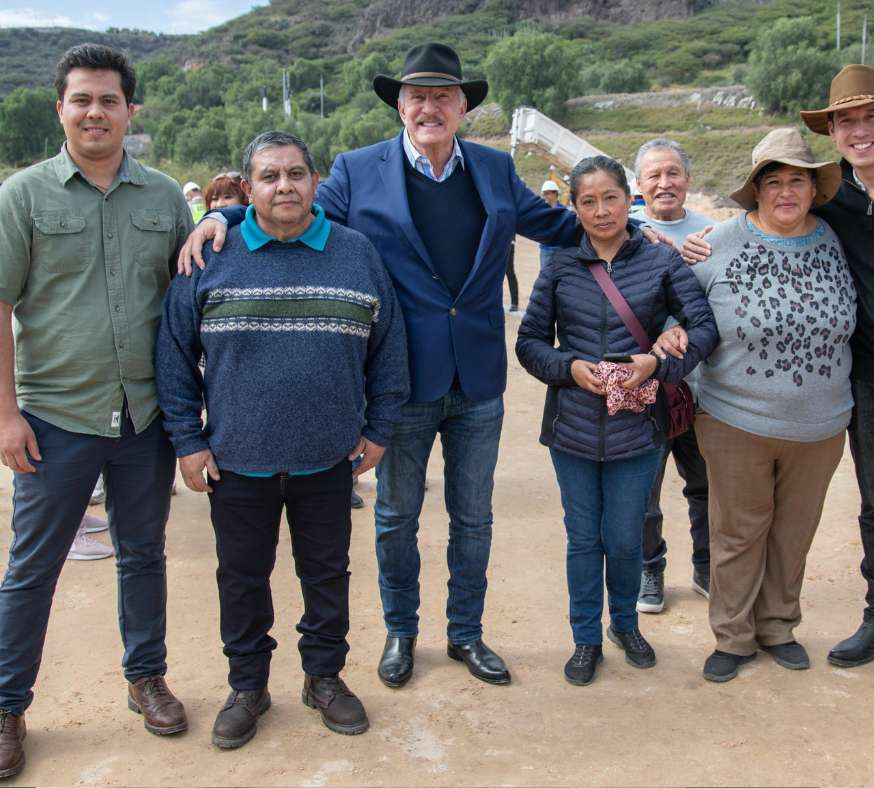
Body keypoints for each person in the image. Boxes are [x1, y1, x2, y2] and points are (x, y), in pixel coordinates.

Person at [178, 42, 588, 689]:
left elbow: (562, 227)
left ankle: (465, 633)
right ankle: (401, 632)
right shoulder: (355, 170)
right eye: (417, 97)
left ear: (462, 107)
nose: (430, 107)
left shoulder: (494, 168)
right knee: (396, 517)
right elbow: (290, 207)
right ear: (400, 107)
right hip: (400, 384)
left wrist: (638, 227)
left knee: (473, 518)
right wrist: (223, 215)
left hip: (478, 380)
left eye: (442, 97)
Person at [684, 66, 874, 699]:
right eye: (845, 121)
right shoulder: (754, 233)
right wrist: (680, 246)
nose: (786, 191)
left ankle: (799, 630)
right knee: (844, 516)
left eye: (869, 117)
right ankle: (841, 627)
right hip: (807, 402)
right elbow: (685, 300)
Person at [157, 130, 408, 749]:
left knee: (326, 575)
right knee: (242, 578)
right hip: (237, 460)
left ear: (315, 182)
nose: (285, 186)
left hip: (329, 459)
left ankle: (323, 678)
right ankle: (248, 686)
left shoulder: (356, 254)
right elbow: (172, 352)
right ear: (248, 189)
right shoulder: (210, 257)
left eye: (297, 174)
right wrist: (188, 440)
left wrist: (379, 428)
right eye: (269, 176)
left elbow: (390, 349)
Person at [0, 43, 192, 779]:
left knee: (143, 556)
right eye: (81, 99)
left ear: (129, 111)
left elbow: (186, 294)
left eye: (109, 100)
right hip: (54, 417)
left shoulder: (164, 197)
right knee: (32, 567)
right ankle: (8, 705)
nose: (95, 112)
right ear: (61, 109)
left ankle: (146, 678)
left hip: (142, 419)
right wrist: (6, 415)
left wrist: (211, 225)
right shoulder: (26, 195)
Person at [515, 155, 717, 686]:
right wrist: (569, 367)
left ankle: (625, 625)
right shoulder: (559, 265)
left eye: (610, 198)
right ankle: (585, 638)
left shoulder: (662, 263)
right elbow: (529, 342)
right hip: (573, 428)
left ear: (631, 199)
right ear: (575, 209)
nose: (601, 211)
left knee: (625, 537)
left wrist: (658, 363)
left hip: (638, 426)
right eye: (588, 201)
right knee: (583, 538)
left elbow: (703, 328)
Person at [680, 128, 855, 683]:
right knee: (737, 531)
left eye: (796, 180)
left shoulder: (835, 239)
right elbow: (679, 319)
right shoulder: (717, 244)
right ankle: (733, 635)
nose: (784, 191)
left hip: (822, 424)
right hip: (735, 420)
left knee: (795, 531)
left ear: (813, 188)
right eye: (772, 181)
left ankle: (778, 625)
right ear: (755, 190)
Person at [631, 138, 713, 613]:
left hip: (705, 387)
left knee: (705, 484)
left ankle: (706, 565)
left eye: (673, 173)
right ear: (638, 184)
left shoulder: (715, 234)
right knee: (644, 488)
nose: (664, 183)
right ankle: (650, 568)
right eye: (654, 175)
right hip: (644, 390)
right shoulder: (622, 233)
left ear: (688, 178)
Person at [538, 180, 562, 270]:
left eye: (547, 193)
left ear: (555, 194)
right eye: (543, 194)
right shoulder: (541, 211)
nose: (544, 197)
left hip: (560, 250)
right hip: (545, 249)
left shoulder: (563, 211)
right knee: (545, 277)